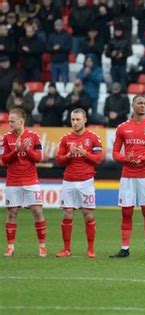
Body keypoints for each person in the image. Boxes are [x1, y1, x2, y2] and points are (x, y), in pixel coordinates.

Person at [110, 94, 145, 259]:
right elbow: (115, 153)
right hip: (128, 176)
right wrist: (127, 158)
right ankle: (125, 248)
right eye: (139, 103)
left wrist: (144, 159)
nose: (142, 106)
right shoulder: (122, 128)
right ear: (133, 105)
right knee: (126, 212)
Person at [56, 108, 103, 258]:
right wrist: (69, 154)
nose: (75, 122)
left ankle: (90, 249)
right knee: (67, 214)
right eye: (72, 120)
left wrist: (84, 153)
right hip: (69, 181)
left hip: (86, 181)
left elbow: (97, 159)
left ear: (84, 120)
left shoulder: (93, 138)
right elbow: (59, 160)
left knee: (88, 215)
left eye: (77, 119)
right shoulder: (65, 139)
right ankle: (66, 249)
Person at [1, 108, 46, 257]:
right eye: (9, 121)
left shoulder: (33, 137)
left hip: (30, 180)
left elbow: (38, 158)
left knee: (37, 211)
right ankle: (10, 247)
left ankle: (42, 246)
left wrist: (27, 150)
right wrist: (15, 151)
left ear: (21, 121)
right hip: (13, 181)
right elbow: (4, 160)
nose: (10, 124)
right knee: (12, 212)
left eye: (12, 121)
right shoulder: (5, 138)